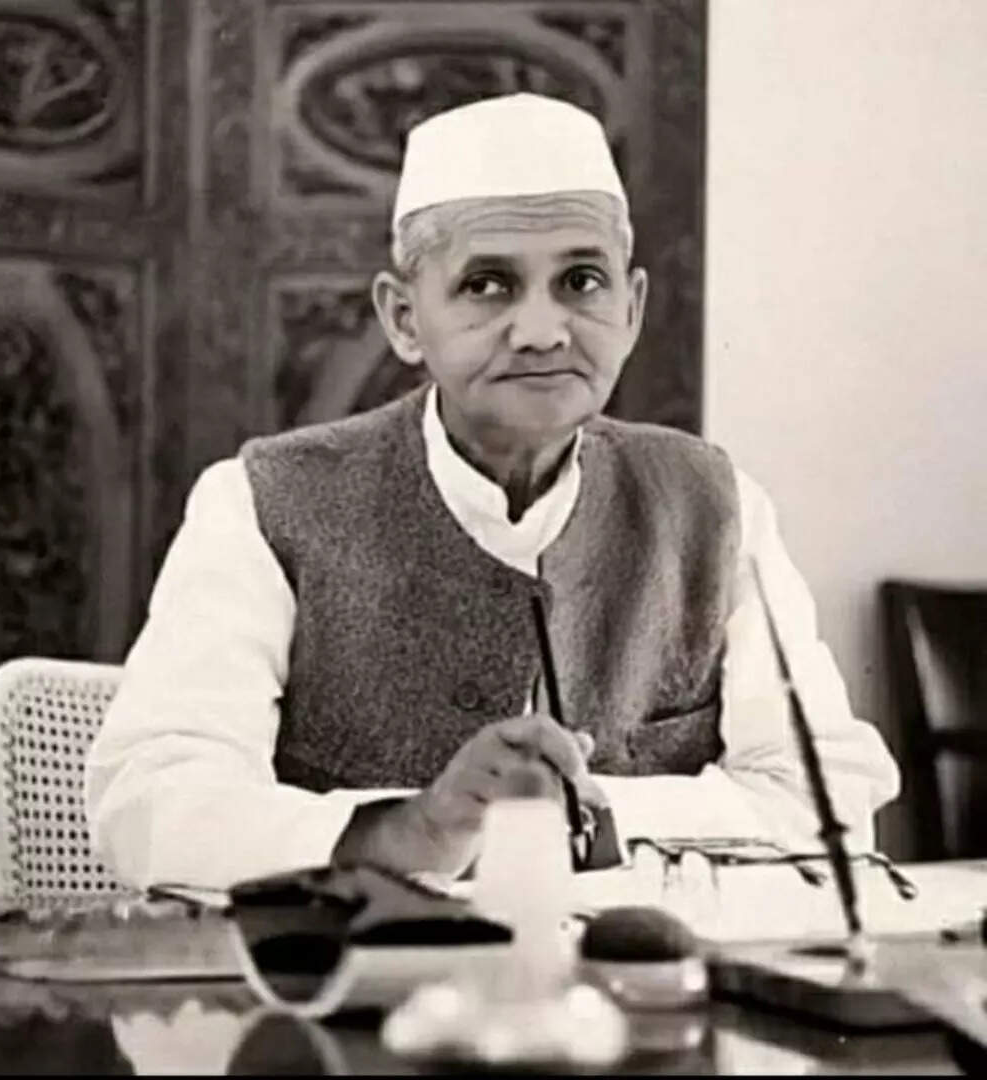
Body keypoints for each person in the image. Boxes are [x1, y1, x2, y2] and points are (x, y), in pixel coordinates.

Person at [85, 93, 899, 891]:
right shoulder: (264, 503)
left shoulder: (717, 507)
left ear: (632, 308)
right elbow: (151, 801)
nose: (543, 332)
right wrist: (410, 830)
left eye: (582, 280)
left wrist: (583, 816)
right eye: (487, 285)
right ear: (405, 319)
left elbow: (825, 798)